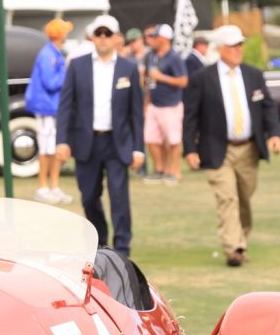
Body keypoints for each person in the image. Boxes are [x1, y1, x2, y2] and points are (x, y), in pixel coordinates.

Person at [182, 24, 280, 268]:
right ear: (220, 49)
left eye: (240, 44)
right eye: (233, 45)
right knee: (227, 198)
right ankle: (233, 248)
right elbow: (190, 117)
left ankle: (241, 240)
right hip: (218, 149)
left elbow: (268, 107)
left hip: (249, 148)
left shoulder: (253, 75)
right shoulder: (202, 79)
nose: (239, 49)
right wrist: (190, 149)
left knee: (244, 199)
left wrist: (275, 134)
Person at [55, 14, 145, 255]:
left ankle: (123, 246)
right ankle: (100, 242)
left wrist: (138, 148)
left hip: (118, 142)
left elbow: (136, 111)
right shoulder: (78, 65)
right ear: (92, 37)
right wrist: (61, 140)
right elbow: (66, 105)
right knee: (88, 197)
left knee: (119, 196)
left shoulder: (129, 68)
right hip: (87, 141)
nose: (103, 38)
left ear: (117, 38)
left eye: (108, 34)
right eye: (99, 34)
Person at [26, 18, 73, 204]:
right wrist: (66, 73)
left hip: (51, 107)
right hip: (46, 107)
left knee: (53, 148)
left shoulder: (53, 53)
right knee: (47, 148)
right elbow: (50, 82)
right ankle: (43, 187)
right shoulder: (48, 55)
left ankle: (54, 187)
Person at [142, 24, 188, 185]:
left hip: (171, 104)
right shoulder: (152, 56)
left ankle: (174, 171)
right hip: (154, 104)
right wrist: (146, 103)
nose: (151, 40)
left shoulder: (174, 57)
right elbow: (148, 82)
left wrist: (162, 77)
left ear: (164, 38)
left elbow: (183, 81)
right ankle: (159, 169)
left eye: (155, 37)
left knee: (173, 140)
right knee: (151, 138)